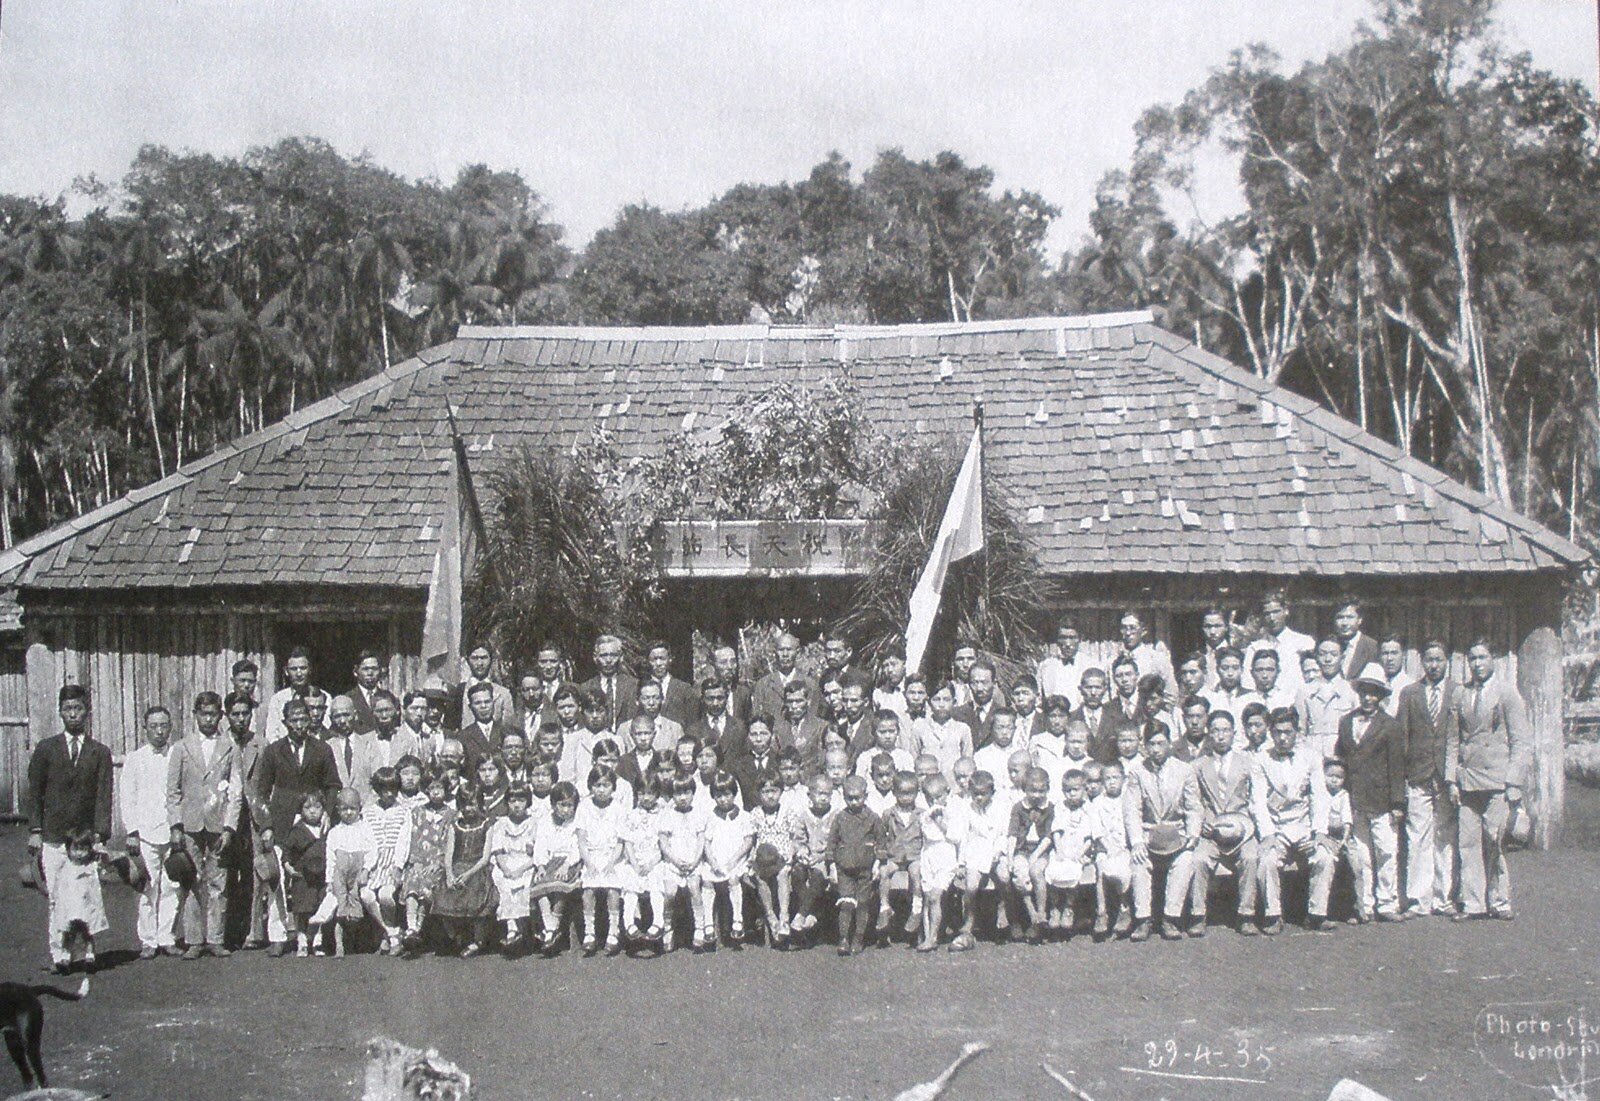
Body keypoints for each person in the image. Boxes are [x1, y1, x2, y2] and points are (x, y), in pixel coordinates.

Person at [26, 684, 115, 973]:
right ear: (60, 712)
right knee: (57, 897)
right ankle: (60, 955)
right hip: (53, 837)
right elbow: (35, 792)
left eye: (78, 708)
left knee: (86, 895)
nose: (73, 714)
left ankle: (88, 951)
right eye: (68, 709)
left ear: (87, 712)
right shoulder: (46, 749)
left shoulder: (99, 752)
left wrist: (100, 834)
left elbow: (103, 795)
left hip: (84, 839)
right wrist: (36, 831)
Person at [1447, 639, 1531, 922]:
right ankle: (1473, 903)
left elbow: (1521, 741)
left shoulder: (1507, 693)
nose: (1477, 664)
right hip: (1468, 780)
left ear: (1493, 659)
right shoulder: (1460, 694)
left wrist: (1514, 782)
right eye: (1472, 659)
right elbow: (1453, 740)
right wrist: (1451, 779)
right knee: (1468, 843)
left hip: (1497, 780)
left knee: (1495, 841)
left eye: (1482, 657)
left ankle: (1499, 900)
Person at [253, 697, 340, 955]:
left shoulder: (322, 749)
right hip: (282, 820)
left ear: (311, 720)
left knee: (314, 877)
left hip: (313, 819)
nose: (299, 725)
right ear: (285, 723)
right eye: (294, 720)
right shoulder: (273, 751)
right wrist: (266, 825)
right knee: (279, 876)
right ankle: (279, 936)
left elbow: (333, 784)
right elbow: (260, 791)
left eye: (304, 719)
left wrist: (327, 813)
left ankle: (316, 937)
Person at [167, 691, 241, 959]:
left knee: (218, 882)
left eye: (214, 714)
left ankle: (216, 938)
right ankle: (194, 939)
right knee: (192, 880)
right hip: (190, 825)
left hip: (217, 825)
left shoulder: (229, 747)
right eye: (204, 714)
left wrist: (230, 827)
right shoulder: (182, 747)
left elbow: (235, 791)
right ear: (195, 715)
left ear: (221, 715)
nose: (209, 719)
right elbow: (173, 791)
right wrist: (176, 825)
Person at [1250, 708, 1334, 933]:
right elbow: (1257, 800)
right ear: (1271, 733)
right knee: (1267, 860)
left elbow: (1320, 796)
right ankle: (1273, 915)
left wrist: (1319, 831)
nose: (1283, 738)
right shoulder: (1260, 759)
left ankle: (1317, 914)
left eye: (1288, 732)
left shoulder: (1311, 757)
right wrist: (1267, 834)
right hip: (1277, 827)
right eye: (1277, 732)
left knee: (1325, 857)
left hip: (1304, 825)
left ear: (1297, 732)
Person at [1335, 664, 1406, 923]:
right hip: (1355, 798)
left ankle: (1387, 903)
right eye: (1364, 692)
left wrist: (1398, 802)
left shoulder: (1391, 726)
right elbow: (1340, 758)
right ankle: (1364, 904)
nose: (1367, 697)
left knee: (1386, 851)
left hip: (1382, 799)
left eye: (1373, 693)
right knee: (1361, 855)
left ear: (1381, 696)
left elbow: (1397, 767)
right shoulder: (1346, 722)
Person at [1395, 640, 1460, 917]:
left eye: (1439, 660)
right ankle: (1417, 900)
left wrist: (1454, 775)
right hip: (1418, 774)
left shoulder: (1458, 692)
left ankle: (1443, 898)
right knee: (1417, 835)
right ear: (1421, 661)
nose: (1434, 665)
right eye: (1429, 659)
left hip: (1446, 775)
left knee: (1444, 836)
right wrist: (1404, 777)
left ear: (1447, 662)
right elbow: (1403, 736)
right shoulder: (1410, 693)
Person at [1123, 721, 1200, 942]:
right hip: (1148, 836)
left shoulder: (1184, 770)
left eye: (1160, 743)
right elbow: (1132, 809)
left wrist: (1193, 834)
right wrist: (1137, 841)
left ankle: (1170, 918)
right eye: (1151, 744)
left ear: (1169, 744)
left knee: (1185, 861)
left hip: (1177, 835)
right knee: (1138, 862)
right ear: (1144, 746)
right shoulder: (1137, 772)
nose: (1155, 749)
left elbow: (1194, 806)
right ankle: (1143, 919)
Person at [1187, 711, 1260, 937]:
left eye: (1226, 730)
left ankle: (1246, 915)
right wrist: (1202, 824)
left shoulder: (1247, 763)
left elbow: (1255, 798)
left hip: (1241, 829)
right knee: (1198, 860)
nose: (1220, 736)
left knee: (1250, 857)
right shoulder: (1198, 765)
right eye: (1216, 730)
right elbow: (1194, 801)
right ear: (1209, 733)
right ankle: (1198, 915)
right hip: (1211, 831)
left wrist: (1248, 826)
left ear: (1234, 733)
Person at [121, 705, 181, 959]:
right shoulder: (135, 759)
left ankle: (167, 937)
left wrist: (179, 827)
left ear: (170, 727)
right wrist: (132, 831)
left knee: (172, 886)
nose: (159, 731)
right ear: (145, 728)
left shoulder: (177, 754)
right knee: (148, 886)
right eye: (154, 726)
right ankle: (148, 940)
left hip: (172, 831)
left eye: (164, 726)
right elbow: (127, 797)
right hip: (145, 832)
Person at [308, 787, 385, 958]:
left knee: (367, 897)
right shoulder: (335, 832)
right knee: (334, 900)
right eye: (344, 809)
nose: (349, 813)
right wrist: (329, 881)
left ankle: (385, 930)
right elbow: (331, 859)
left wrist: (366, 870)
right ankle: (326, 928)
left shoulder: (365, 829)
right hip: (341, 877)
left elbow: (373, 851)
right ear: (337, 810)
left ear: (360, 808)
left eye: (353, 809)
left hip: (360, 876)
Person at [432, 783, 495, 957]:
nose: (469, 808)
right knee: (443, 895)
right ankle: (456, 935)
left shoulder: (486, 824)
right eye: (465, 804)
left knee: (478, 896)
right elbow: (449, 853)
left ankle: (478, 940)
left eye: (473, 803)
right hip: (458, 866)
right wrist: (450, 874)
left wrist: (468, 874)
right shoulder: (455, 825)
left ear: (480, 803)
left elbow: (485, 858)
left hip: (477, 868)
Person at [951, 769, 1011, 950]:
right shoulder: (966, 808)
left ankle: (1003, 909)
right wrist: (961, 863)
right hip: (975, 852)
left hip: (995, 850)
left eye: (983, 794)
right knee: (971, 886)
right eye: (975, 794)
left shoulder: (1001, 807)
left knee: (1004, 877)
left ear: (992, 792)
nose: (978, 798)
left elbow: (1003, 834)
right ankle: (970, 917)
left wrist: (998, 852)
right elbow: (964, 836)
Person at [826, 775, 884, 956]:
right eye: (849, 798)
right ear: (844, 797)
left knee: (863, 903)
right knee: (846, 904)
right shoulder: (840, 818)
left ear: (865, 796)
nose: (853, 802)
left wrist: (877, 864)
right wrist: (832, 867)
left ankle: (859, 937)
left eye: (857, 797)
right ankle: (843, 938)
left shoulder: (873, 818)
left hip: (865, 869)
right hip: (844, 869)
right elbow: (832, 844)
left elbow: (881, 843)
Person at [400, 769, 456, 954]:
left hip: (438, 863)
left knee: (427, 883)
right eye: (431, 788)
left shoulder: (452, 815)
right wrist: (415, 861)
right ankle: (411, 928)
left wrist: (438, 862)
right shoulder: (417, 812)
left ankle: (419, 925)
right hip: (419, 860)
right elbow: (413, 838)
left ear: (446, 789)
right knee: (414, 877)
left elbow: (449, 843)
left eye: (439, 787)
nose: (435, 792)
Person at [576, 765, 630, 955]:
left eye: (606, 785)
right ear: (591, 786)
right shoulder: (583, 807)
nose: (601, 790)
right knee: (588, 890)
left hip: (612, 857)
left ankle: (613, 931)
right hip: (591, 855)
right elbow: (581, 840)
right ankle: (589, 932)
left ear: (613, 787)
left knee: (612, 889)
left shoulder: (619, 808)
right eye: (597, 785)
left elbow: (620, 842)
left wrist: (610, 863)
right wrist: (589, 863)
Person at [702, 771, 757, 945]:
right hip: (716, 860)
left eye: (727, 794)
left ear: (734, 794)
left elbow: (748, 841)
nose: (723, 800)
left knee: (734, 879)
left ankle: (737, 920)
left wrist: (734, 860)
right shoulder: (711, 817)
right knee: (707, 881)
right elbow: (707, 843)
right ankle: (708, 924)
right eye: (718, 796)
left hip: (736, 860)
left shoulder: (744, 817)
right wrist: (712, 862)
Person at [747, 774, 802, 947]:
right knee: (759, 877)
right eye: (765, 792)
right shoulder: (755, 813)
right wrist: (751, 857)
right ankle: (771, 917)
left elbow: (795, 837)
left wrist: (791, 853)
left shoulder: (787, 812)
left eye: (774, 791)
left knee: (782, 875)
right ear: (759, 794)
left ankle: (784, 918)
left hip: (782, 856)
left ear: (781, 792)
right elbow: (752, 839)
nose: (770, 796)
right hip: (763, 858)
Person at [361, 767, 412, 953]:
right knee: (366, 895)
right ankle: (392, 933)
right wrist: (367, 868)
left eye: (393, 789)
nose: (389, 794)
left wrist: (398, 866)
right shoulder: (368, 812)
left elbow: (404, 841)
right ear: (377, 789)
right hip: (374, 862)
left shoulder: (403, 811)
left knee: (386, 895)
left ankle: (388, 936)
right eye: (384, 789)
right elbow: (367, 842)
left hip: (394, 862)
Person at [658, 775, 711, 951]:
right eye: (678, 793)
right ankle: (667, 928)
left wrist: (695, 861)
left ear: (693, 793)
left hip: (693, 862)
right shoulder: (667, 814)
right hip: (673, 863)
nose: (682, 797)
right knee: (669, 892)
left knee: (695, 888)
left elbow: (701, 840)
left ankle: (700, 927)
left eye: (686, 792)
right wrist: (675, 861)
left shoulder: (699, 813)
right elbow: (664, 843)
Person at [488, 782, 540, 952]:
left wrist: (521, 869)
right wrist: (506, 869)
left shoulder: (534, 823)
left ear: (528, 801)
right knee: (504, 883)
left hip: (526, 864)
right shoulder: (501, 824)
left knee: (525, 883)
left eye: (521, 800)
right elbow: (498, 850)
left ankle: (524, 929)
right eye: (512, 801)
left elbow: (537, 853)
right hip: (506, 863)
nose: (517, 805)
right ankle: (512, 928)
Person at [915, 774, 962, 951]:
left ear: (947, 792)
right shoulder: (923, 813)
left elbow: (957, 837)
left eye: (938, 797)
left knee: (936, 896)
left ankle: (933, 937)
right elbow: (924, 836)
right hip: (929, 855)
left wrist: (940, 821)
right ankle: (927, 936)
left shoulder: (954, 811)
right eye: (930, 798)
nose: (934, 802)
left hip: (946, 856)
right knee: (927, 897)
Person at [51, 828, 109, 972]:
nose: (79, 853)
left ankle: (90, 956)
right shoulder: (65, 865)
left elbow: (105, 861)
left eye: (83, 849)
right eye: (75, 849)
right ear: (68, 849)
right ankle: (65, 957)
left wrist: (98, 850)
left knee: (87, 932)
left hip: (86, 906)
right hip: (70, 905)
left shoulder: (91, 866)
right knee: (68, 932)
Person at [1008, 767, 1055, 942]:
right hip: (1022, 850)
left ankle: (1041, 913)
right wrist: (1010, 857)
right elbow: (1012, 833)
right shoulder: (1019, 808)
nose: (1036, 795)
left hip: (1041, 850)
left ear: (1047, 789)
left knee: (1036, 872)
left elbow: (1049, 836)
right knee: (1020, 876)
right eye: (1032, 791)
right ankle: (1031, 913)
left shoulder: (1049, 808)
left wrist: (1036, 855)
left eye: (1041, 791)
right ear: (1024, 790)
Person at [1088, 761, 1134, 939]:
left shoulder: (1129, 800)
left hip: (1125, 847)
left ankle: (1125, 908)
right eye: (1107, 779)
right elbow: (1097, 831)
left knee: (1127, 868)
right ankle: (1102, 912)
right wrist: (1109, 848)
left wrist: (1124, 848)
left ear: (1124, 779)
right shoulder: (1097, 803)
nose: (1112, 782)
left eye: (1116, 778)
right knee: (1100, 868)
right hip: (1104, 848)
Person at [281, 791, 329, 956]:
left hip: (321, 877)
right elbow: (286, 852)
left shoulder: (325, 828)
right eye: (307, 807)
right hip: (302, 877)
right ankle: (301, 941)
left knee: (319, 908)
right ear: (301, 810)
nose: (313, 811)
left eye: (317, 807)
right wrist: (289, 868)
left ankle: (317, 941)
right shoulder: (297, 830)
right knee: (302, 908)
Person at [877, 773, 924, 936]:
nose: (906, 797)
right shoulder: (888, 814)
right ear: (894, 792)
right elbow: (881, 835)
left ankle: (916, 909)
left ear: (917, 793)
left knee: (916, 873)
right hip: (895, 855)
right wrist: (882, 852)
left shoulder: (921, 814)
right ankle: (884, 907)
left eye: (910, 793)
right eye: (902, 793)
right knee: (884, 872)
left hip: (914, 855)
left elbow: (926, 836)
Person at [622, 779, 667, 945]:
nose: (646, 798)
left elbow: (664, 844)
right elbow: (628, 843)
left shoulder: (663, 815)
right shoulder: (632, 815)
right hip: (636, 860)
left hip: (655, 859)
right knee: (631, 884)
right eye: (641, 793)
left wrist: (652, 862)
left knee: (656, 883)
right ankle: (629, 922)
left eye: (650, 793)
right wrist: (634, 863)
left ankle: (658, 922)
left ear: (657, 794)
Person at [1297, 639, 1360, 760]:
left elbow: (1356, 731)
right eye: (1322, 654)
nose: (1328, 659)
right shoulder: (1305, 691)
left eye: (1333, 654)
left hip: (1341, 755)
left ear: (1342, 657)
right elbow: (1300, 731)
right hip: (1312, 753)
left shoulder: (1351, 690)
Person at [1247, 590, 1317, 695]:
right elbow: (1248, 684)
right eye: (1267, 614)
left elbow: (1314, 678)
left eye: (1276, 612)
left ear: (1285, 611)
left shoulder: (1304, 642)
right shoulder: (1255, 647)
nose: (1272, 618)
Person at [751, 632, 820, 729]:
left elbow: (814, 719)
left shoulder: (810, 684)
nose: (785, 654)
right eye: (781, 650)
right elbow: (757, 717)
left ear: (798, 652)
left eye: (789, 650)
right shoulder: (763, 685)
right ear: (775, 653)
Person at [909, 681, 973, 781]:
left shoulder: (962, 729)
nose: (941, 704)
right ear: (929, 702)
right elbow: (914, 757)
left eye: (946, 700)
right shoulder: (919, 727)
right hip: (928, 784)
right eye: (936, 699)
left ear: (954, 702)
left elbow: (967, 761)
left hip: (954, 785)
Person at [449, 642, 513, 730]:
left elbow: (508, 727)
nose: (480, 663)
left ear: (491, 660)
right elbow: (451, 727)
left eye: (484, 658)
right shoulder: (459, 692)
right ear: (467, 660)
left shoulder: (503, 694)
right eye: (475, 658)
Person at [582, 635, 639, 727]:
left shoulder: (633, 685)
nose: (608, 660)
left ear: (621, 657)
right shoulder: (586, 687)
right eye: (603, 655)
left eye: (613, 655)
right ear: (595, 658)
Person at [264, 648, 316, 744]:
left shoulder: (322, 698)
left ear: (310, 670)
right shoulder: (277, 700)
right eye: (294, 669)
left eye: (303, 668)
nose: (299, 673)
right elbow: (271, 734)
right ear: (286, 671)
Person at [1115, 611, 1176, 691]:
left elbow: (1171, 693)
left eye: (1132, 628)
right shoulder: (1114, 661)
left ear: (1143, 631)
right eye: (1124, 628)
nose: (1128, 633)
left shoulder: (1157, 659)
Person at [1037, 620, 1091, 710]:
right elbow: (1038, 700)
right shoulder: (1046, 666)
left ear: (1080, 639)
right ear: (1057, 640)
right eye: (1063, 638)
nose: (1068, 643)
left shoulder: (1090, 665)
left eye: (1072, 637)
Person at [687, 677, 746, 758]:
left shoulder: (740, 727)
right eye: (710, 699)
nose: (715, 703)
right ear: (703, 699)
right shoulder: (693, 730)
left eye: (720, 698)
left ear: (727, 697)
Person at [643, 640, 698, 727]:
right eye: (654, 659)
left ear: (670, 659)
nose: (658, 663)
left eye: (662, 659)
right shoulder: (640, 688)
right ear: (647, 661)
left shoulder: (684, 689)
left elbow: (693, 724)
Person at [953, 660, 1006, 749]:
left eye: (984, 682)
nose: (979, 688)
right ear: (969, 684)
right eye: (975, 682)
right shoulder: (956, 714)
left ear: (994, 683)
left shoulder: (1003, 714)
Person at [626, 680, 686, 755]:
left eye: (656, 698)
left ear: (663, 700)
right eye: (646, 698)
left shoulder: (675, 729)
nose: (651, 703)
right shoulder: (625, 728)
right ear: (637, 701)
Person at [1332, 597, 1380, 683]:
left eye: (1350, 617)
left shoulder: (1372, 647)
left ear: (1359, 620)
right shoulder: (1328, 645)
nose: (1344, 623)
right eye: (1340, 617)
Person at [347, 651, 388, 734]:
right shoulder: (348, 699)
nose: (370, 673)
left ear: (380, 671)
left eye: (374, 669)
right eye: (365, 669)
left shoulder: (389, 698)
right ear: (356, 671)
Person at [1377, 636, 1414, 717]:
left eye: (1394, 653)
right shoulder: (1374, 682)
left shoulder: (1410, 687)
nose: (1389, 658)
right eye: (1385, 653)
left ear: (1403, 655)